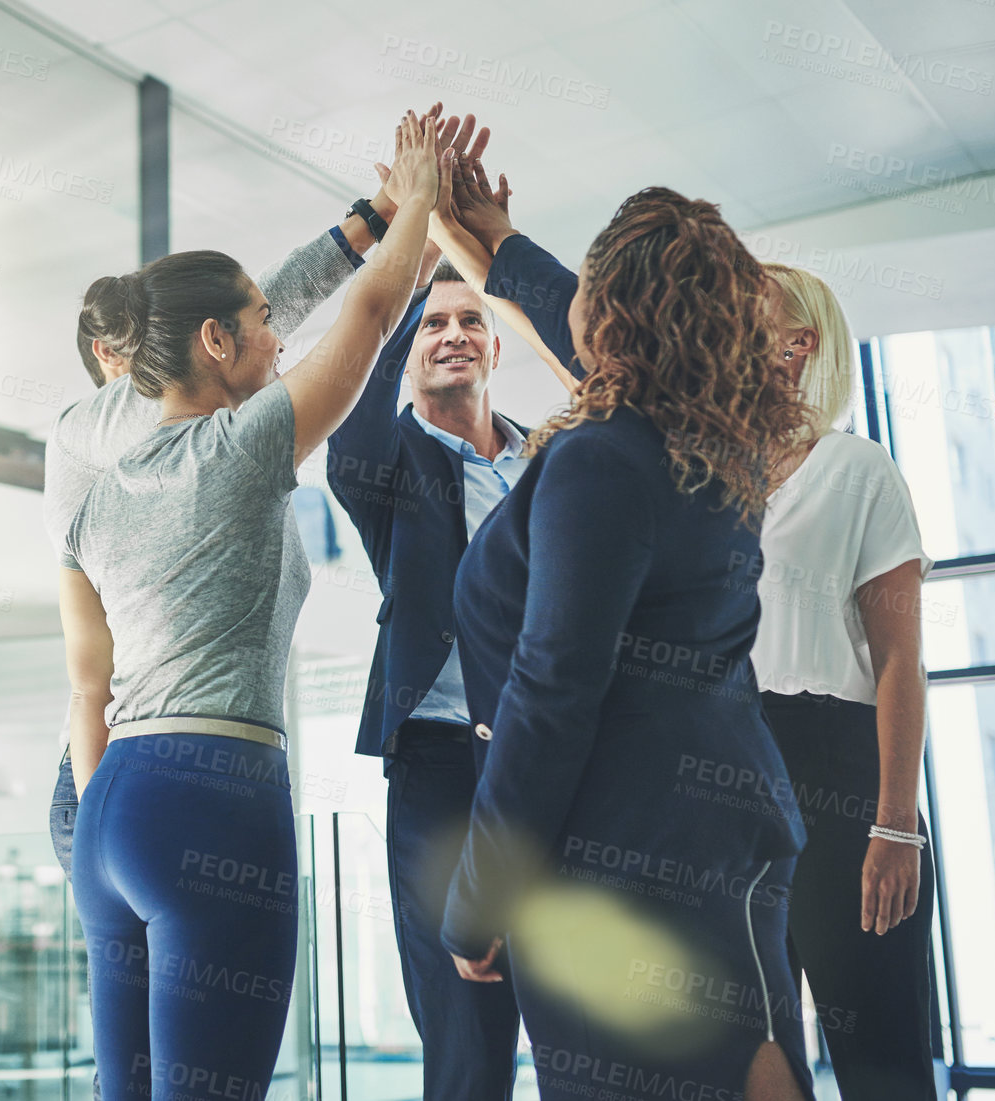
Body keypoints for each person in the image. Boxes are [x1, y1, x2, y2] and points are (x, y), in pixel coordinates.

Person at [56, 111, 442, 1100]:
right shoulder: (237, 452)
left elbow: (85, 685)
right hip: (213, 795)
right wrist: (425, 197)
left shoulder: (91, 488)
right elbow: (367, 319)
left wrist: (371, 217)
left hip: (111, 806)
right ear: (218, 340)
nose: (281, 336)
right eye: (262, 324)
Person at [435, 177, 818, 1100]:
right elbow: (616, 339)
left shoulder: (604, 457)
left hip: (641, 855)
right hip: (670, 841)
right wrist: (499, 247)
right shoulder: (697, 444)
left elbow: (551, 688)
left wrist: (481, 890)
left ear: (606, 310)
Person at [324, 112, 583, 1101]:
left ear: (498, 346)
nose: (452, 332)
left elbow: (602, 374)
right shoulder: (387, 463)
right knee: (466, 1040)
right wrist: (421, 233)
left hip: (553, 759)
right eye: (433, 323)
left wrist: (494, 259)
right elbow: (348, 411)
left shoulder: (557, 459)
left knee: (573, 1015)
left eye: (470, 319)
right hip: (437, 770)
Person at [751, 263, 938, 1100]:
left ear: (797, 343)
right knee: (750, 1049)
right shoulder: (698, 478)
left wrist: (894, 823)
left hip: (838, 774)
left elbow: (900, 656)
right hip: (729, 769)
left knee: (881, 1063)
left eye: (738, 302)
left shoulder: (857, 470)